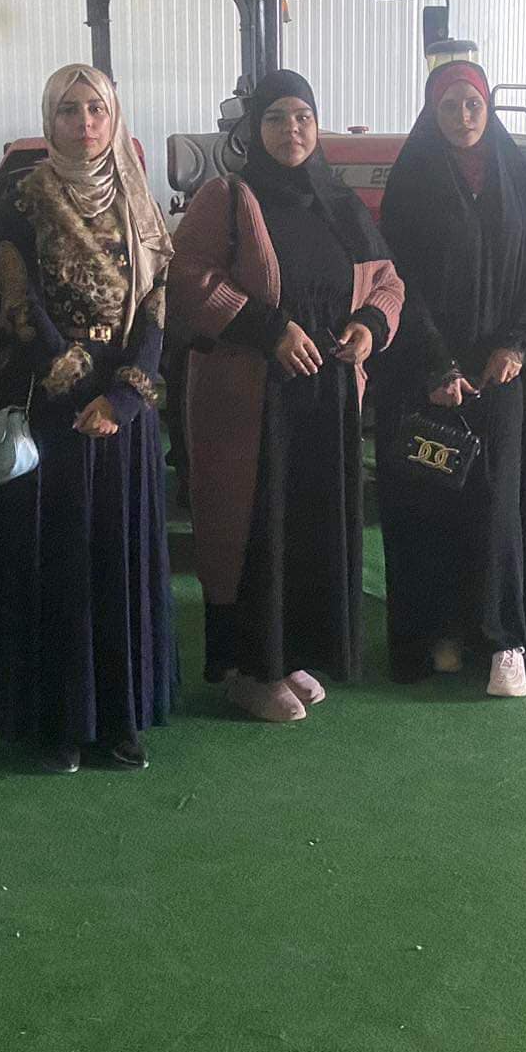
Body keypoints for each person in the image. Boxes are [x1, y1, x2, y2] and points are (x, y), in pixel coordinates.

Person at [171, 69, 405, 720]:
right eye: (275, 118)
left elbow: (387, 281)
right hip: (254, 403)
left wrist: (369, 326)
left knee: (310, 530)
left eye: (302, 116)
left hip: (326, 399)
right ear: (254, 129)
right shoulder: (228, 197)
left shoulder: (338, 203)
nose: (291, 130)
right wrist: (270, 329)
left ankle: (290, 653)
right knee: (257, 530)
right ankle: (250, 670)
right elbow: (188, 277)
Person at [0, 63, 177, 772]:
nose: (85, 123)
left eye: (96, 109)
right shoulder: (23, 200)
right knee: (56, 561)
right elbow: (19, 301)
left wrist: (125, 396)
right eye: (69, 110)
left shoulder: (138, 197)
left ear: (113, 116)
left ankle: (121, 716)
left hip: (124, 412)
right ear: (50, 120)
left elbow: (158, 302)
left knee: (120, 562)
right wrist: (72, 384)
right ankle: (57, 723)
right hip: (53, 409)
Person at [375, 59, 526, 696]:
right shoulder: (411, 181)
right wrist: (435, 362)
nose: (462, 116)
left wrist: (517, 344)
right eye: (449, 106)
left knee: (498, 502)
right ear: (433, 112)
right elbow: (396, 278)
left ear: (489, 107)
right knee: (434, 500)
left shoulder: (519, 180)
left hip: (502, 373)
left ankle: (503, 638)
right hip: (428, 372)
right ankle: (443, 628)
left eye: (472, 104)